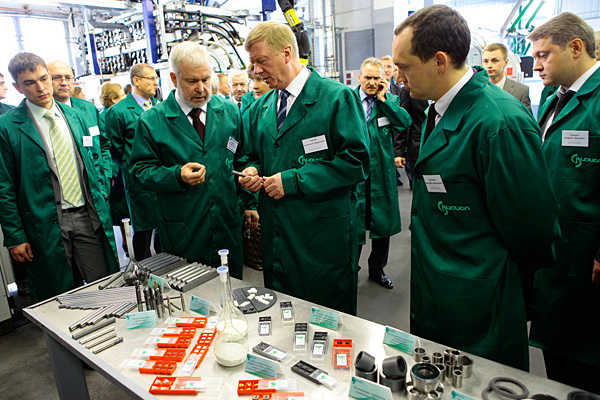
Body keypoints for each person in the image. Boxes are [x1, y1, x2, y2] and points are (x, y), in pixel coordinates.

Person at [392, 5, 560, 370]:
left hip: (480, 301)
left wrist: (490, 277)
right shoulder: (437, 111)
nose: (399, 78)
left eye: (405, 67)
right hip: (440, 290)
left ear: (439, 61)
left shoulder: (499, 123)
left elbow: (532, 229)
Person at [239, 21, 370, 315]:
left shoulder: (336, 98)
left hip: (322, 234)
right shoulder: (260, 108)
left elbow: (356, 161)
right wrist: (251, 171)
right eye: (253, 63)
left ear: (287, 53)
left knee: (327, 319)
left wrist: (295, 180)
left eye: (262, 61)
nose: (256, 71)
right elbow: (253, 155)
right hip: (278, 233)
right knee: (283, 313)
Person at [129, 42, 257, 278]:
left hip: (226, 223)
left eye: (206, 79)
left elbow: (243, 157)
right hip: (184, 229)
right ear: (174, 79)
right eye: (191, 81)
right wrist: (176, 175)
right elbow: (139, 172)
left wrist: (249, 200)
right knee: (189, 291)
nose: (201, 88)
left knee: (232, 287)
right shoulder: (152, 121)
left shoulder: (229, 112)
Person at [0, 52, 119, 302]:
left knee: (106, 287)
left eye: (44, 79)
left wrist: (102, 188)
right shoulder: (8, 127)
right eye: (30, 83)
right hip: (44, 223)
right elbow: (4, 187)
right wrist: (15, 236)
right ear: (17, 87)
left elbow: (95, 156)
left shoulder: (76, 116)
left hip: (88, 215)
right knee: (58, 296)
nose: (41, 88)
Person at [528, 13, 600, 393]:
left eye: (544, 55)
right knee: (556, 358)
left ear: (575, 47)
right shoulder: (552, 98)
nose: (536, 66)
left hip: (587, 255)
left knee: (587, 364)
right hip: (555, 252)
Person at [355, 57, 411, 289]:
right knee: (355, 222)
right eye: (368, 77)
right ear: (359, 77)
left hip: (382, 173)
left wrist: (384, 100)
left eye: (377, 78)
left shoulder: (390, 100)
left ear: (384, 80)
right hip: (356, 174)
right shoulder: (348, 100)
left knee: (382, 223)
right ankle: (351, 267)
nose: (372, 82)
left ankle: (377, 269)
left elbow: (404, 123)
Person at [105, 64, 161, 261]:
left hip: (163, 175)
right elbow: (115, 148)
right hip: (138, 180)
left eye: (156, 78)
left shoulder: (160, 106)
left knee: (165, 229)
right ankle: (143, 270)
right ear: (136, 80)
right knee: (143, 230)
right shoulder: (118, 112)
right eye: (151, 78)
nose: (156, 83)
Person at [47, 60, 112, 194]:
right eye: (57, 78)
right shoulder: (45, 114)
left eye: (68, 78)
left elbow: (104, 145)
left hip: (96, 187)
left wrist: (106, 175)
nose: (64, 83)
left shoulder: (88, 109)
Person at [381, 55, 428, 188]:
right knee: (417, 187)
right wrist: (399, 152)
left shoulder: (442, 90)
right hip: (416, 147)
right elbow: (403, 122)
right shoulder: (409, 91)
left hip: (438, 147)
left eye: (389, 67)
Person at [99, 82, 129, 255]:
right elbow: (110, 147)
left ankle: (126, 241)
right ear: (114, 99)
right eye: (122, 95)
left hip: (115, 171)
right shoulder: (108, 116)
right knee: (122, 210)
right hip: (115, 172)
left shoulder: (106, 114)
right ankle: (126, 243)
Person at [482, 43, 532, 113]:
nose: (489, 65)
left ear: (506, 62)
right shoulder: (476, 90)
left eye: (495, 61)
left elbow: (525, 119)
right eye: (486, 61)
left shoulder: (521, 91)